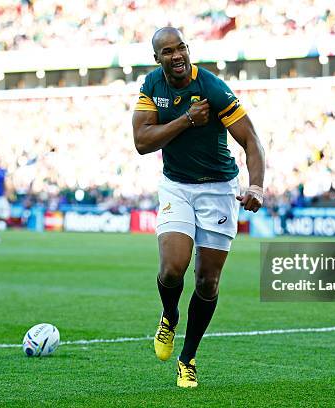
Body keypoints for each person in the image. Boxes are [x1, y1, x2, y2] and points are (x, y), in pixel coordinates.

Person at [132, 27, 265, 388]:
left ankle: (187, 358)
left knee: (207, 280)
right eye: (167, 52)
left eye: (181, 49)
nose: (176, 56)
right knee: (173, 269)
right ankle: (169, 315)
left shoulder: (211, 87)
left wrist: (255, 185)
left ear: (188, 50)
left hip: (219, 190)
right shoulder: (152, 86)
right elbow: (141, 142)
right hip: (176, 185)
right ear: (157, 59)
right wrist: (186, 120)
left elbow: (251, 139)